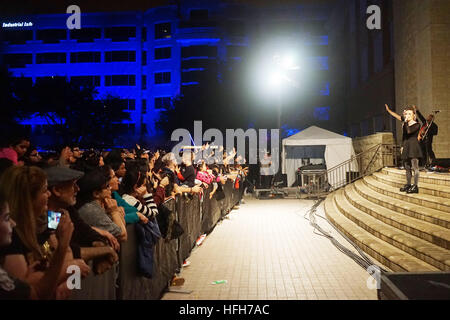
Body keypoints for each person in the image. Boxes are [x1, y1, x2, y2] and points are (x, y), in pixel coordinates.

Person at [0, 165, 89, 299]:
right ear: (28, 199)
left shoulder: (47, 221)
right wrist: (70, 267)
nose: (48, 194)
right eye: (44, 190)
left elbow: (61, 255)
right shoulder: (11, 234)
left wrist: (69, 282)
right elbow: (26, 289)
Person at [45, 166, 119, 275]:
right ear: (57, 190)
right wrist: (105, 250)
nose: (77, 189)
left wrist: (98, 244)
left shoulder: (62, 210)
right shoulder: (47, 217)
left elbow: (83, 230)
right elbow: (59, 252)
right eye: (72, 185)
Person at [76, 168, 127, 242]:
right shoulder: (91, 210)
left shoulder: (102, 205)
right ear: (96, 194)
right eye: (107, 186)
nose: (110, 188)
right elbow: (122, 235)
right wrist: (114, 212)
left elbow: (122, 229)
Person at [385, 104, 423, 193]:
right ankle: (408, 184)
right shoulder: (405, 123)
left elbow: (409, 131)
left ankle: (415, 186)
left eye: (409, 114)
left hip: (413, 147)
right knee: (407, 167)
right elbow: (404, 136)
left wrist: (405, 122)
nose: (407, 116)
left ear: (414, 115)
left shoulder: (417, 124)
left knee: (415, 167)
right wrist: (389, 111)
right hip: (406, 146)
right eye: (406, 114)